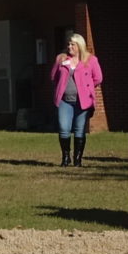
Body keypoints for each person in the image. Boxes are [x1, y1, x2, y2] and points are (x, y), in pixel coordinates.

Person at [48, 33, 104, 167]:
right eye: (68, 44)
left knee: (79, 130)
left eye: (72, 44)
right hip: (64, 101)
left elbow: (98, 78)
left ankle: (78, 159)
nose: (69, 47)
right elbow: (53, 76)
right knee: (64, 128)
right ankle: (65, 157)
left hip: (82, 101)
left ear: (80, 45)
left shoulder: (91, 60)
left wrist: (87, 88)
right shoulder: (61, 59)